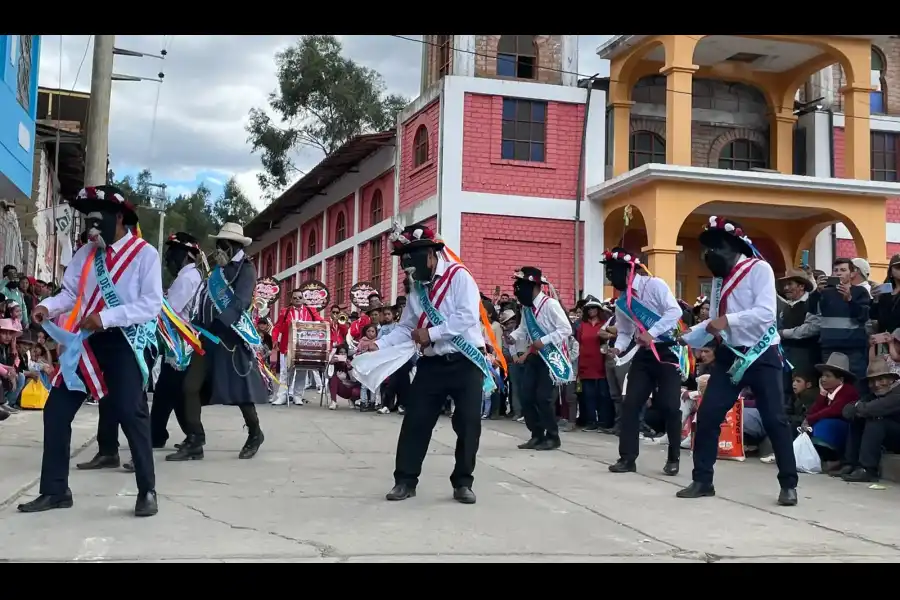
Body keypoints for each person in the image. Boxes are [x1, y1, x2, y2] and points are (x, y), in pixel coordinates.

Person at [18, 185, 162, 517]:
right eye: (89, 221)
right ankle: (55, 491)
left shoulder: (144, 255)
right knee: (55, 412)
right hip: (84, 344)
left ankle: (147, 490)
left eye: (99, 221)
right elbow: (69, 294)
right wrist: (47, 307)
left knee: (130, 413)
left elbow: (150, 305)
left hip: (121, 343)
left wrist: (106, 317)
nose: (91, 228)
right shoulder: (86, 254)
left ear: (120, 218)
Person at [357, 223, 488, 504]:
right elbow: (406, 328)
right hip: (432, 364)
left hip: (465, 361)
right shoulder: (417, 289)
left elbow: (466, 316)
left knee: (467, 423)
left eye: (412, 259)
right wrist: (377, 344)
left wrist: (431, 333)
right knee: (416, 420)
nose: (408, 267)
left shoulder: (459, 277)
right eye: (404, 261)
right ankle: (405, 480)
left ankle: (463, 482)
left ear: (431, 255)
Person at [677, 216, 798, 506]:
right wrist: (687, 337)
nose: (709, 255)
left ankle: (789, 484)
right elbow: (715, 325)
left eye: (714, 247)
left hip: (762, 353)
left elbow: (766, 313)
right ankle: (702, 480)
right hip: (731, 356)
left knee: (774, 419)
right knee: (707, 416)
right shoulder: (720, 280)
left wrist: (726, 319)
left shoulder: (759, 269)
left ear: (733, 245)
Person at [178, 221, 268, 461]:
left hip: (230, 339)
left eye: (222, 244)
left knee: (240, 393)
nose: (218, 249)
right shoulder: (216, 271)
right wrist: (195, 324)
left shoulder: (245, 269)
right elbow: (205, 299)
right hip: (206, 339)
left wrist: (220, 324)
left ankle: (255, 432)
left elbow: (240, 302)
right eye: (217, 244)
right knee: (190, 387)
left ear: (233, 246)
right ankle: (195, 440)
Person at [600, 248, 684, 475]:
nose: (612, 277)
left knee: (669, 405)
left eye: (615, 271)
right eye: (609, 272)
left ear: (630, 269)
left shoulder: (653, 285)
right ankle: (627, 458)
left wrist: (652, 332)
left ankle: (673, 457)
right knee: (630, 404)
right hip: (644, 355)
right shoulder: (621, 303)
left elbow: (674, 312)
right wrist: (617, 348)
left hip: (667, 351)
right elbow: (626, 332)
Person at [147, 233, 204, 459]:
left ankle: (193, 437)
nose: (169, 256)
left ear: (185, 254)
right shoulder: (188, 276)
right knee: (169, 391)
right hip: (179, 342)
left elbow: (171, 310)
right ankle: (160, 434)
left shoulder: (187, 278)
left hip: (181, 342)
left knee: (172, 390)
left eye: (174, 251)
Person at [508, 266, 573, 451]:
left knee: (543, 398)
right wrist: (513, 337)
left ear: (534, 286)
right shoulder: (527, 309)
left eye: (521, 285)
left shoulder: (550, 305)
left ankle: (552, 436)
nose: (518, 289)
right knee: (526, 396)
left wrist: (543, 341)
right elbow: (523, 329)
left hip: (550, 358)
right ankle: (536, 435)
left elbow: (566, 329)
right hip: (534, 358)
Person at [839, 357, 900, 482]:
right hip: (889, 437)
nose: (876, 384)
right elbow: (846, 411)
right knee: (857, 419)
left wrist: (860, 408)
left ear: (891, 379)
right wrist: (860, 409)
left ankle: (868, 469)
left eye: (881, 379)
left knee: (876, 420)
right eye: (872, 381)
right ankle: (851, 463)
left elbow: (874, 408)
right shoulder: (871, 396)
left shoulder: (897, 394)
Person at [270, 287, 325, 406]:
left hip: (305, 346)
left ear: (303, 298)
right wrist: (275, 340)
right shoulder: (285, 311)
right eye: (295, 298)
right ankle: (282, 396)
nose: (297, 300)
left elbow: (320, 322)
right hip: (287, 346)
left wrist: (326, 324)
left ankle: (297, 396)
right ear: (291, 299)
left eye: (300, 297)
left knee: (302, 372)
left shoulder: (311, 311)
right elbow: (277, 327)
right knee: (285, 373)